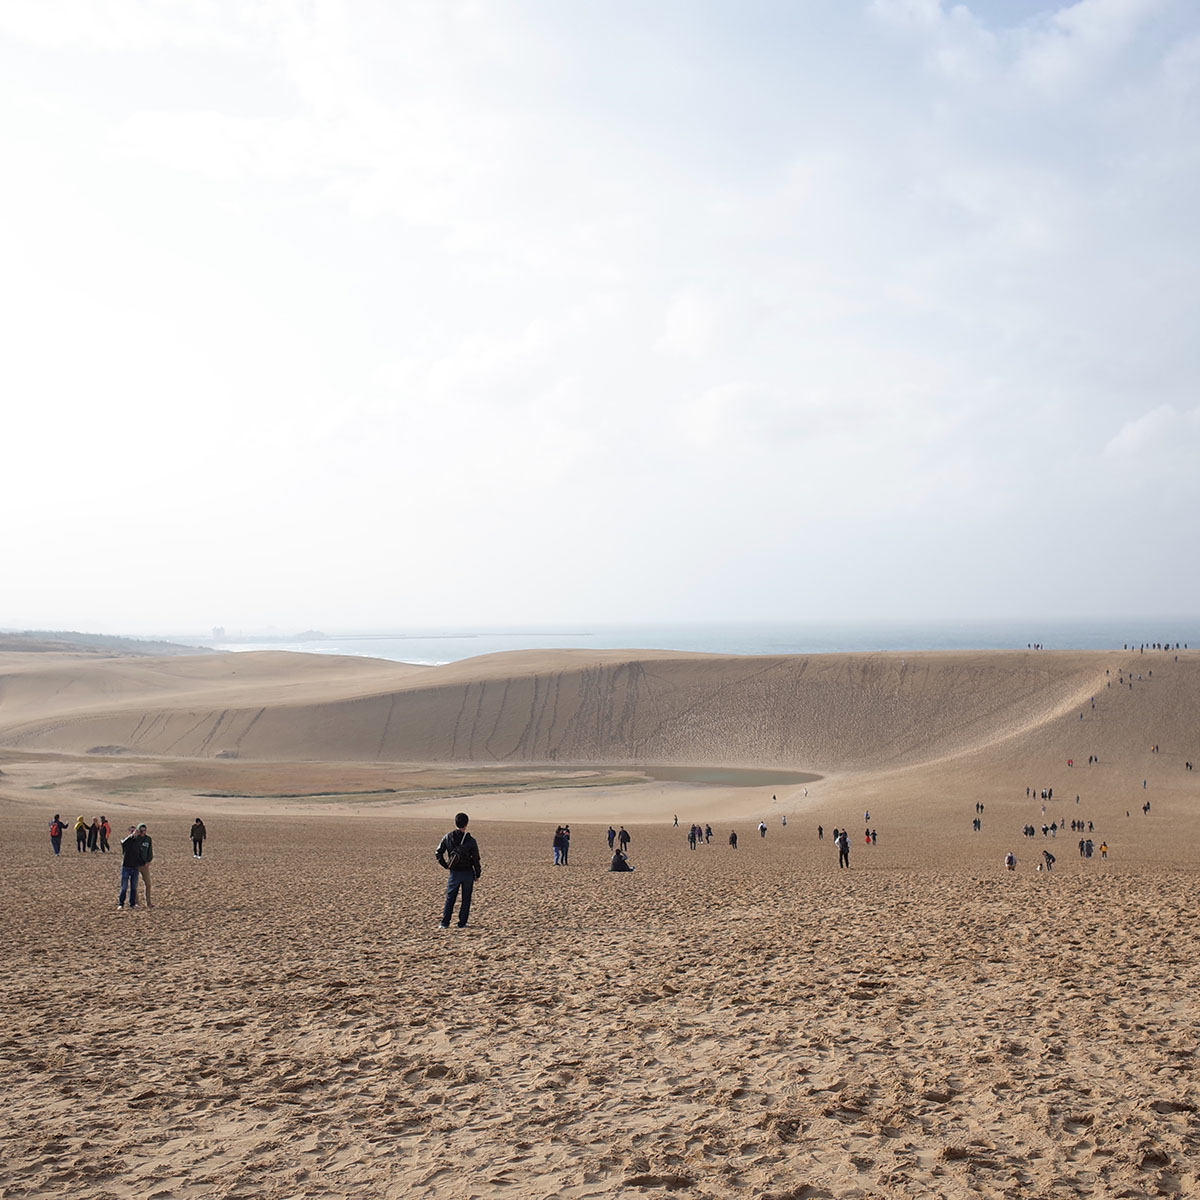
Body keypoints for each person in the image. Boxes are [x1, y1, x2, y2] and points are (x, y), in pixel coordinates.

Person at [435, 812, 482, 929]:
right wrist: (477, 874)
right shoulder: (471, 840)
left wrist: (446, 865)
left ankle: (445, 923)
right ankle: (462, 923)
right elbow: (476, 859)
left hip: (454, 872)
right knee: (466, 899)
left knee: (450, 898)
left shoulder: (448, 837)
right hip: (467, 873)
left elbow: (438, 853)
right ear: (466, 824)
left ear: (455, 823)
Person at [118, 826, 141, 909]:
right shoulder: (126, 840)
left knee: (133, 887)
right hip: (126, 867)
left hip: (134, 867)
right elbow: (124, 843)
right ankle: (121, 903)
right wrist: (131, 836)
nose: (134, 833)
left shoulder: (137, 842)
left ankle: (132, 903)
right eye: (132, 831)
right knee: (124, 887)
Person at [135, 823, 154, 907]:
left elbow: (150, 851)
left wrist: (149, 860)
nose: (143, 832)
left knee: (148, 883)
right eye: (141, 830)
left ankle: (148, 902)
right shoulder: (135, 839)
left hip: (144, 865)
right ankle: (136, 902)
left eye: (144, 830)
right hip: (135, 864)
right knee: (134, 884)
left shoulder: (148, 839)